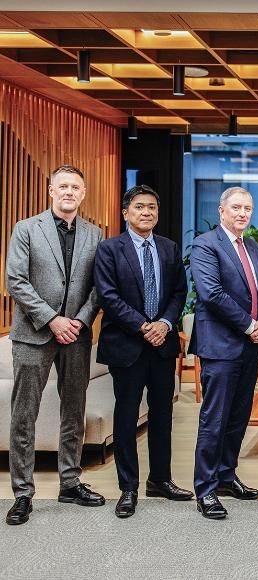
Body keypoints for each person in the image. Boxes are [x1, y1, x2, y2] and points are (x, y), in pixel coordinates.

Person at [5, 164, 103, 526]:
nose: (69, 192)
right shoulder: (26, 228)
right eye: (62, 186)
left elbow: (98, 285)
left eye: (75, 187)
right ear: (51, 191)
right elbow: (15, 280)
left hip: (76, 336)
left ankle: (70, 482)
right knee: (24, 413)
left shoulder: (95, 234)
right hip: (34, 333)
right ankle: (22, 493)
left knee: (73, 410)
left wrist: (78, 320)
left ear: (82, 193)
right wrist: (52, 319)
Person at [94, 185, 192, 519]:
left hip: (162, 346)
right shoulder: (109, 249)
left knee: (162, 414)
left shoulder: (168, 247)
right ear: (125, 212)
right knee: (126, 415)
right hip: (127, 346)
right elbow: (108, 296)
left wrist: (164, 322)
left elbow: (180, 291)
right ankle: (128, 487)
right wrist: (143, 326)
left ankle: (160, 480)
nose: (146, 212)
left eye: (152, 207)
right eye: (139, 207)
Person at [189, 186, 258, 519]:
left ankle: (226, 476)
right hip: (221, 346)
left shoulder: (251, 246)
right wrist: (250, 325)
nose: (242, 213)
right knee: (214, 419)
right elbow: (211, 294)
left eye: (248, 208)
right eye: (236, 208)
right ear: (222, 211)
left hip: (250, 347)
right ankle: (206, 489)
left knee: (238, 417)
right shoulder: (205, 245)